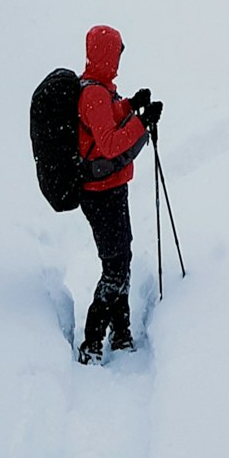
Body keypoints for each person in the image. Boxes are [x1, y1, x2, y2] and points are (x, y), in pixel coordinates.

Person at [76, 23, 163, 364]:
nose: (119, 59)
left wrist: (129, 106)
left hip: (110, 188)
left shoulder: (99, 89)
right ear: (106, 53)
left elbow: (103, 125)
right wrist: (141, 124)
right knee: (115, 266)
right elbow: (110, 144)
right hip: (100, 193)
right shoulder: (93, 93)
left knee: (120, 258)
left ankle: (122, 331)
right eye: (118, 52)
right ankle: (93, 342)